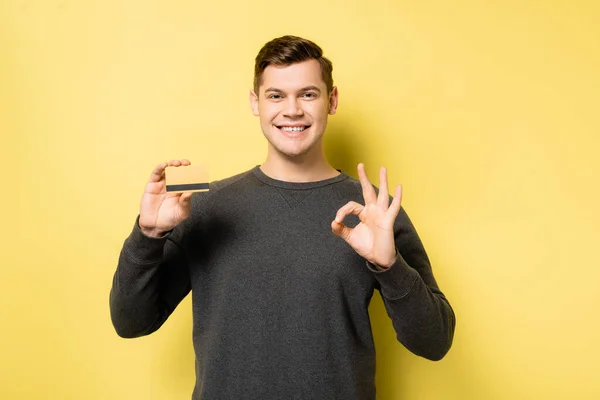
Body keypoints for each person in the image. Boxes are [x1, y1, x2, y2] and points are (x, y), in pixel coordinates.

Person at [110, 35, 456, 400]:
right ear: (255, 102)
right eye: (276, 95)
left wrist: (389, 265)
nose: (292, 110)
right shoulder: (205, 206)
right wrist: (148, 235)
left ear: (332, 100)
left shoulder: (371, 211)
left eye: (308, 94)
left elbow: (435, 342)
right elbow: (130, 322)